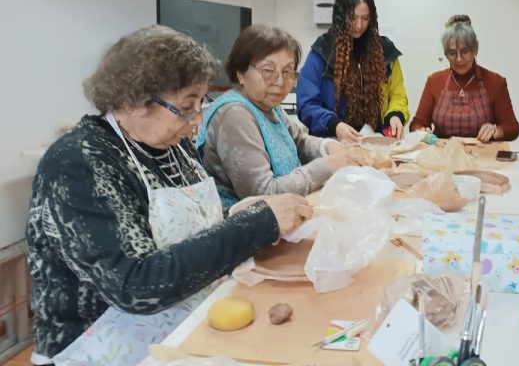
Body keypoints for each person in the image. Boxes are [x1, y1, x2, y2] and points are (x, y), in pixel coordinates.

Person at [26, 26, 312, 366]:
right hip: (104, 349)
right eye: (185, 107)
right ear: (131, 100)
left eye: (200, 103)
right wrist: (255, 225)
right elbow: (137, 285)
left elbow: (187, 228)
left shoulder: (172, 145)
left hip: (187, 324)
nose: (196, 123)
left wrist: (238, 214)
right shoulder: (80, 162)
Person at [198, 25, 355, 209]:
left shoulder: (267, 105)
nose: (280, 82)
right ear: (241, 74)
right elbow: (263, 193)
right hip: (244, 225)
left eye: (288, 71)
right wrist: (326, 167)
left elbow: (298, 141)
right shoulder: (235, 114)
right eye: (268, 71)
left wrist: (328, 146)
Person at [296, 0, 409, 142]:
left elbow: (398, 94)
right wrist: (334, 125)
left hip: (375, 143)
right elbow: (306, 104)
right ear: (341, 16)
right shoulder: (322, 52)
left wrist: (395, 115)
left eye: (365, 18)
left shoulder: (386, 51)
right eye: (352, 18)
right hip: (334, 143)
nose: (359, 25)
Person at [410, 15, 519, 142]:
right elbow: (417, 123)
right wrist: (422, 132)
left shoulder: (495, 82)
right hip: (443, 155)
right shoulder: (434, 81)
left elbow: (512, 128)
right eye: (452, 53)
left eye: (465, 51)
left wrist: (497, 131)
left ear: (475, 48)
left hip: (482, 156)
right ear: (445, 54)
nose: (459, 59)